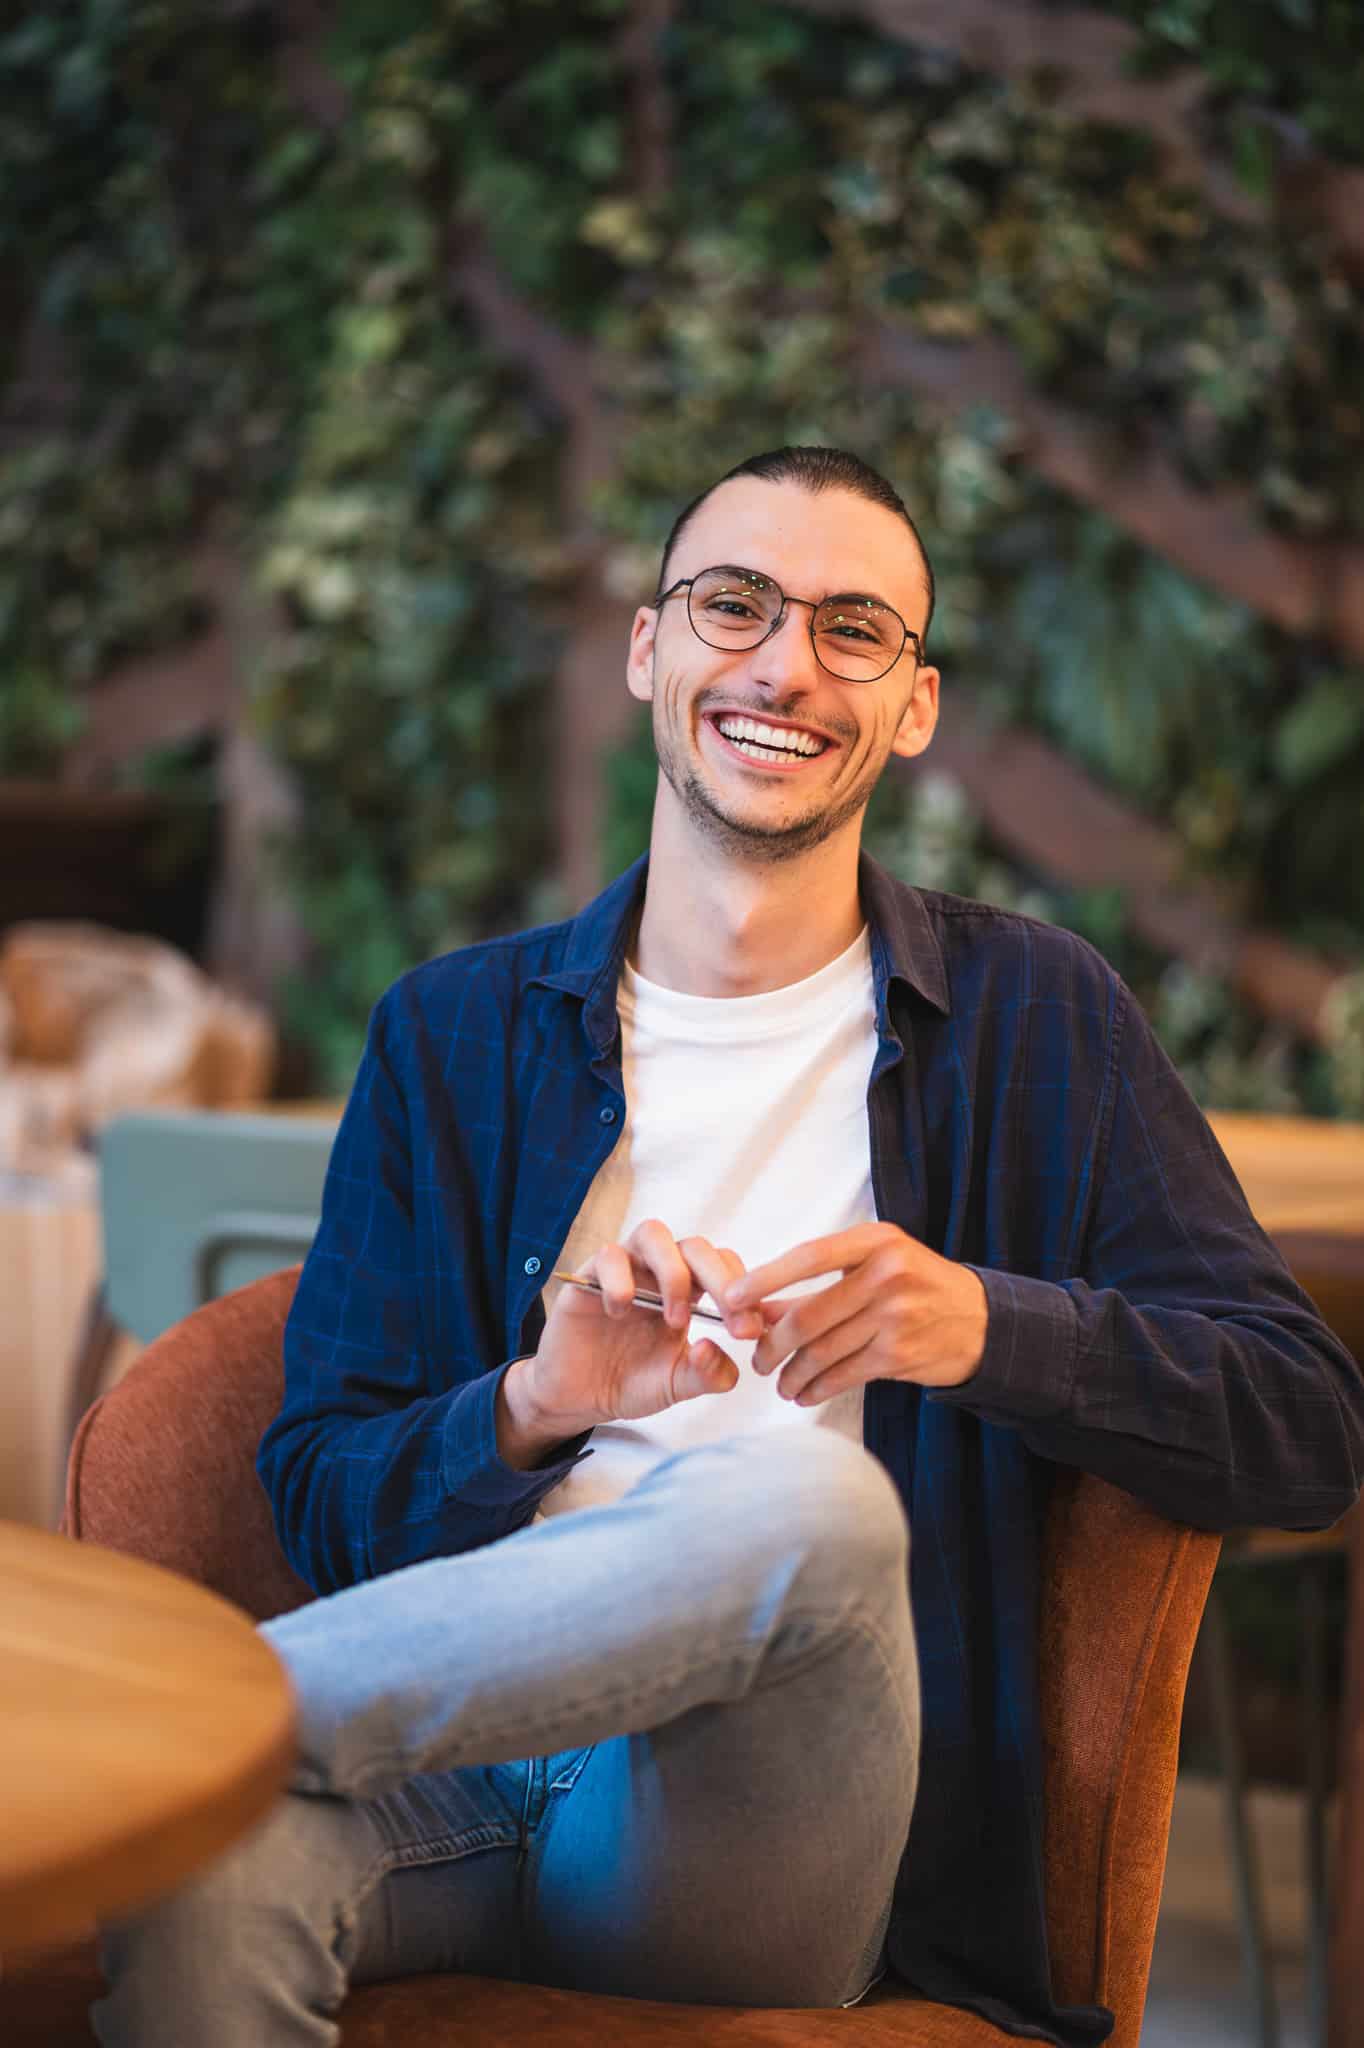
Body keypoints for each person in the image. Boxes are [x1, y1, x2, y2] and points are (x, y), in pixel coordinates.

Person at [94, 447, 1364, 2048]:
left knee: (803, 1497)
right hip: (446, 1773)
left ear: (913, 705)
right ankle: (223, 1759)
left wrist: (988, 1327)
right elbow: (324, 1500)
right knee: (198, 1870)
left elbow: (1311, 1435)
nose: (784, 664)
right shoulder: (454, 1034)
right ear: (650, 651)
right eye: (736, 604)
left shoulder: (1036, 1017)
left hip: (759, 1832)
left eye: (854, 629)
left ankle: (192, 1725)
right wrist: (532, 1405)